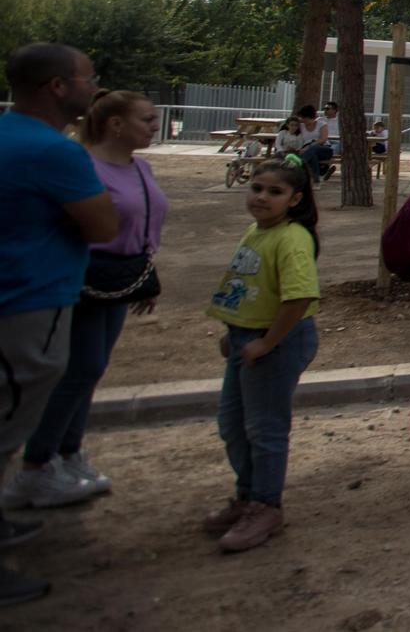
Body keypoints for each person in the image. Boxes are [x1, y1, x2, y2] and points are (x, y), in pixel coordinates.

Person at [9, 91, 167, 512]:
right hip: (84, 280)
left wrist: (144, 276)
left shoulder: (140, 167)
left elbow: (147, 219)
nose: (154, 126)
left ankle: (68, 453)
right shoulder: (84, 166)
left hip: (121, 280)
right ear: (115, 124)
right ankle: (37, 465)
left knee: (90, 370)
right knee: (76, 371)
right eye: (146, 119)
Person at [0, 45, 117, 608]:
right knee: (5, 426)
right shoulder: (54, 152)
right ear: (55, 87)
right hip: (28, 303)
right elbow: (102, 224)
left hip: (19, 299)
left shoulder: (7, 136)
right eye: (86, 79)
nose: (92, 88)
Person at [201, 160, 321, 553]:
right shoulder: (257, 231)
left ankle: (266, 504)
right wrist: (233, 331)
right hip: (244, 338)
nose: (262, 198)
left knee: (264, 428)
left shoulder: (292, 238)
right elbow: (247, 286)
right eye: (256, 188)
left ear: (295, 199)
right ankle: (247, 494)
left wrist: (267, 342)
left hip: (275, 342)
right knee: (232, 424)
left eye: (275, 192)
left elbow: (299, 295)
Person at [290, 105, 332, 182]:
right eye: (302, 118)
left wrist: (309, 146)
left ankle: (296, 165)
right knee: (313, 155)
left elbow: (323, 139)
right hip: (308, 151)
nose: (303, 120)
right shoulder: (301, 126)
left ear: (311, 117)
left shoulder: (322, 124)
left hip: (324, 149)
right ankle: (317, 178)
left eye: (305, 118)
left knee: (313, 149)